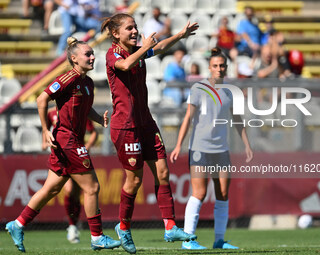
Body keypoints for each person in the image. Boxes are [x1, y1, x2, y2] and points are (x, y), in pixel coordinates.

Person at [5, 37, 120, 252]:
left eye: (93, 53)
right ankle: (97, 237)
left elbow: (85, 110)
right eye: (88, 54)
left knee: (51, 188)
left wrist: (98, 120)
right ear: (74, 59)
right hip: (67, 140)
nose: (92, 57)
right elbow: (41, 99)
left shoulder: (87, 82)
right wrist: (45, 130)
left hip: (70, 141)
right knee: (92, 187)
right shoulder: (67, 78)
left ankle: (17, 224)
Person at [101, 13, 199, 254]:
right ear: (116, 34)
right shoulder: (113, 54)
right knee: (133, 181)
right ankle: (123, 227)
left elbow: (160, 46)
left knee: (163, 173)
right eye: (129, 28)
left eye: (135, 27)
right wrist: (144, 47)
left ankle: (170, 226)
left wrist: (180, 35)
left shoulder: (139, 50)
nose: (134, 31)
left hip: (146, 123)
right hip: (125, 127)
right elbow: (125, 65)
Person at [170, 47, 253, 250]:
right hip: (200, 148)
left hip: (221, 150)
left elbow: (237, 119)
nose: (219, 69)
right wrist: (179, 144)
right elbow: (188, 117)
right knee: (198, 193)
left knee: (223, 193)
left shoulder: (230, 92)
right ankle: (188, 240)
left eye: (222, 65)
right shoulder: (198, 88)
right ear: (209, 67)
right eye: (215, 66)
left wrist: (247, 144)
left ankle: (219, 240)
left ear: (227, 67)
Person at [42, 106, 98, 243]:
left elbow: (93, 132)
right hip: (61, 157)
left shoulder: (78, 110)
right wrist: (45, 142)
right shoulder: (51, 113)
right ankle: (72, 226)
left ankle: (75, 224)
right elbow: (46, 130)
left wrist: (87, 147)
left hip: (77, 155)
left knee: (78, 193)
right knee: (69, 189)